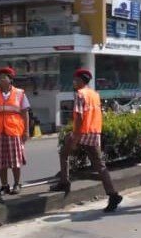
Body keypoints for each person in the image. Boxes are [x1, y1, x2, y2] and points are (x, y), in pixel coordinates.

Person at [50, 68, 123, 213]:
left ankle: (65, 182)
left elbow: (79, 117)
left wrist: (75, 138)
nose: (73, 82)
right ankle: (113, 194)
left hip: (82, 132)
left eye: (75, 80)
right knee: (100, 165)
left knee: (64, 153)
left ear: (80, 80)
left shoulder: (80, 94)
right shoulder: (94, 94)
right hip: (94, 132)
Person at [0, 66, 30, 195]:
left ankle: (17, 184)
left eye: (4, 77)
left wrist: (26, 131)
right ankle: (4, 185)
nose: (1, 79)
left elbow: (25, 112)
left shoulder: (20, 93)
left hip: (14, 131)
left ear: (10, 79)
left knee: (15, 160)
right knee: (0, 161)